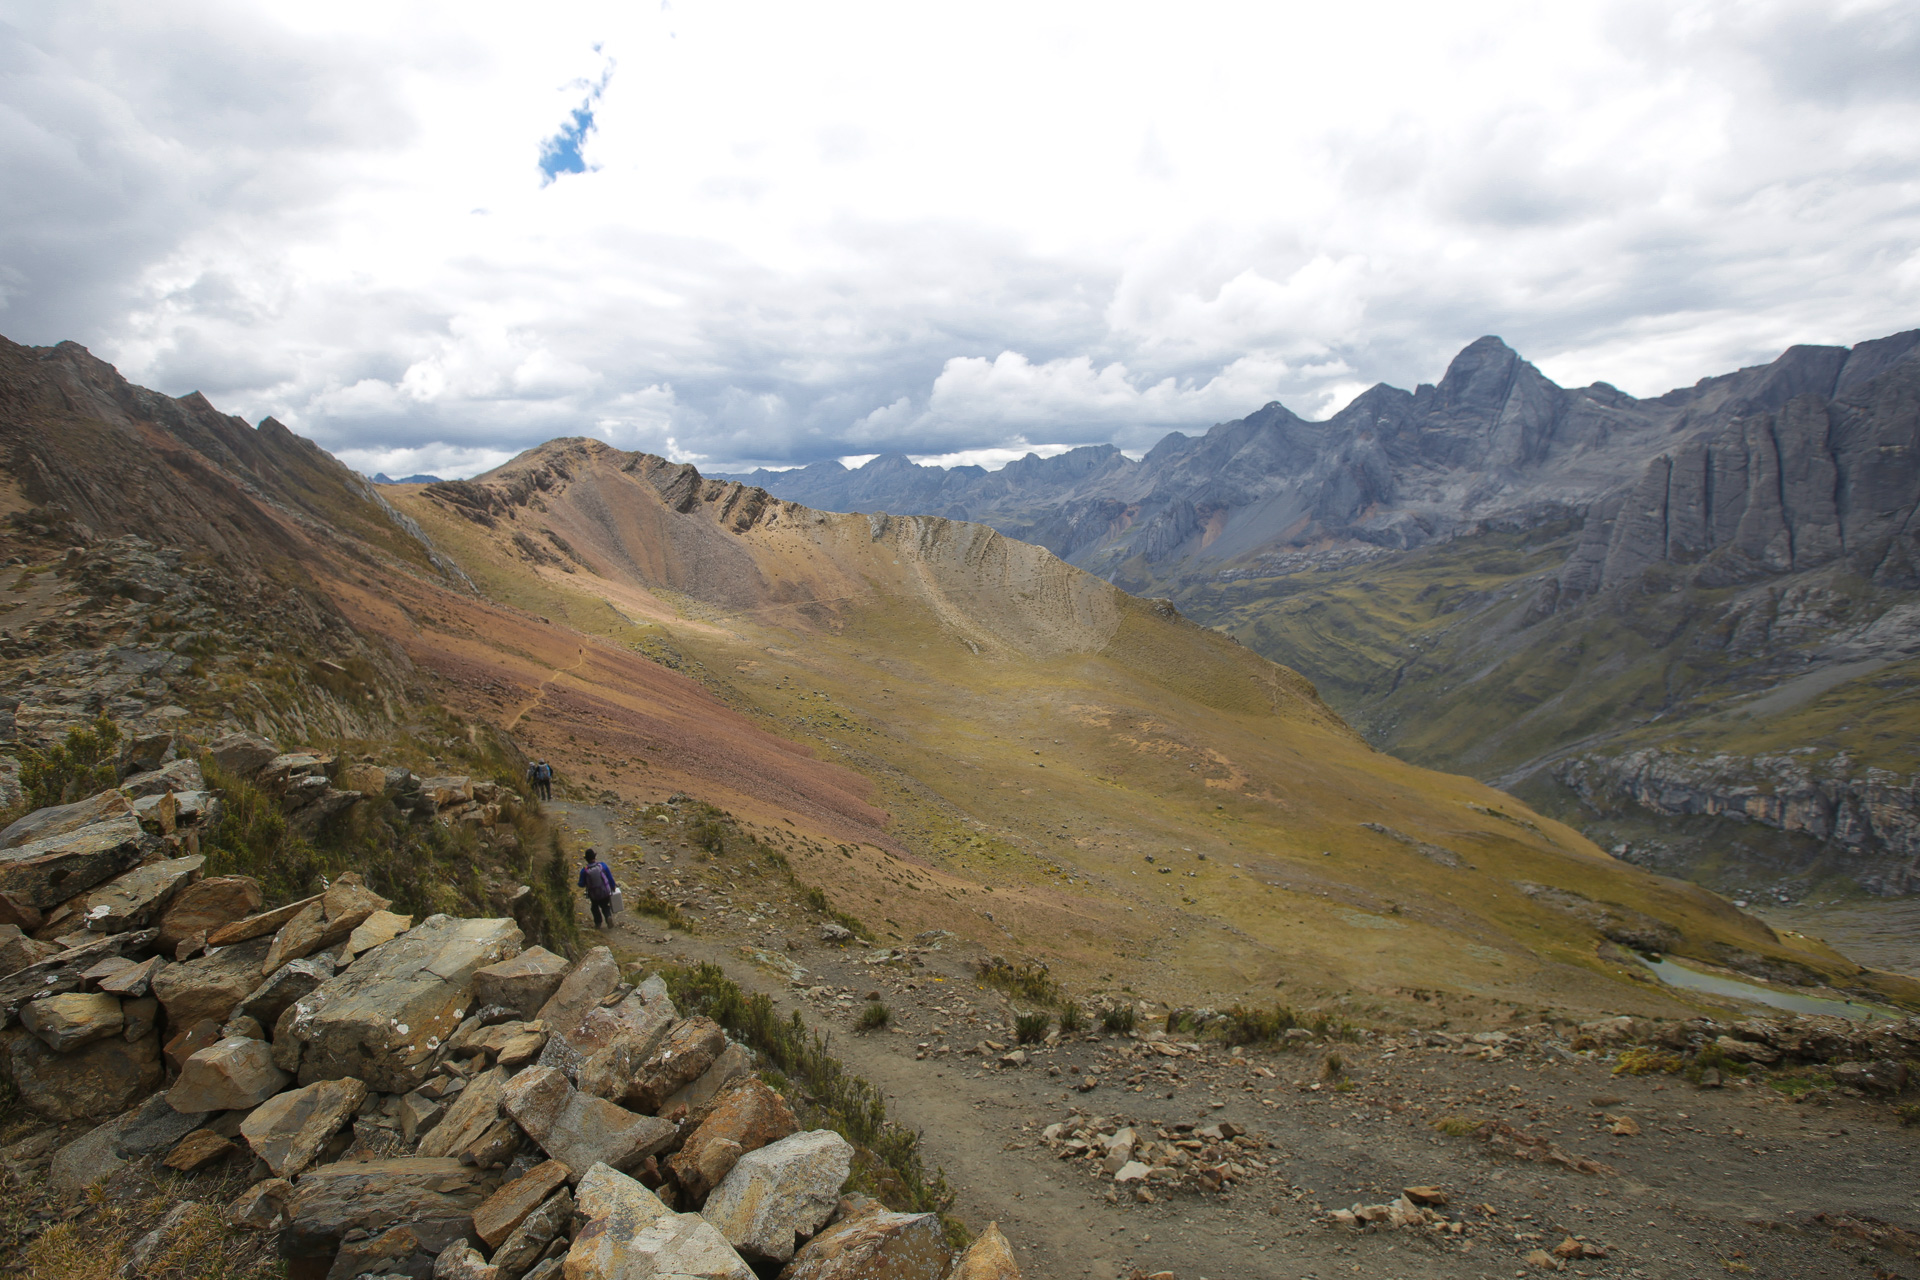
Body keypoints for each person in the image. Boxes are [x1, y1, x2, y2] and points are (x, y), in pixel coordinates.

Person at [578, 847, 617, 929]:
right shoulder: (602, 865)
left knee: (594, 908)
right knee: (605, 906)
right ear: (594, 857)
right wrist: (613, 886)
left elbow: (581, 884)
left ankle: (598, 923)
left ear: (586, 859)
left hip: (594, 895)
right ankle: (608, 917)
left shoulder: (584, 871)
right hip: (605, 892)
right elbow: (609, 877)